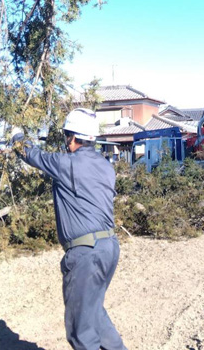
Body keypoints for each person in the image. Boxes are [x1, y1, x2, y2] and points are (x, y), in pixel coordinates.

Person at [12, 108, 127, 350]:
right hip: (109, 248)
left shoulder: (69, 164)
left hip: (86, 253)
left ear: (73, 137)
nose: (65, 141)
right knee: (93, 313)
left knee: (81, 332)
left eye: (66, 135)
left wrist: (17, 138)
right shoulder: (106, 166)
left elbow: (33, 156)